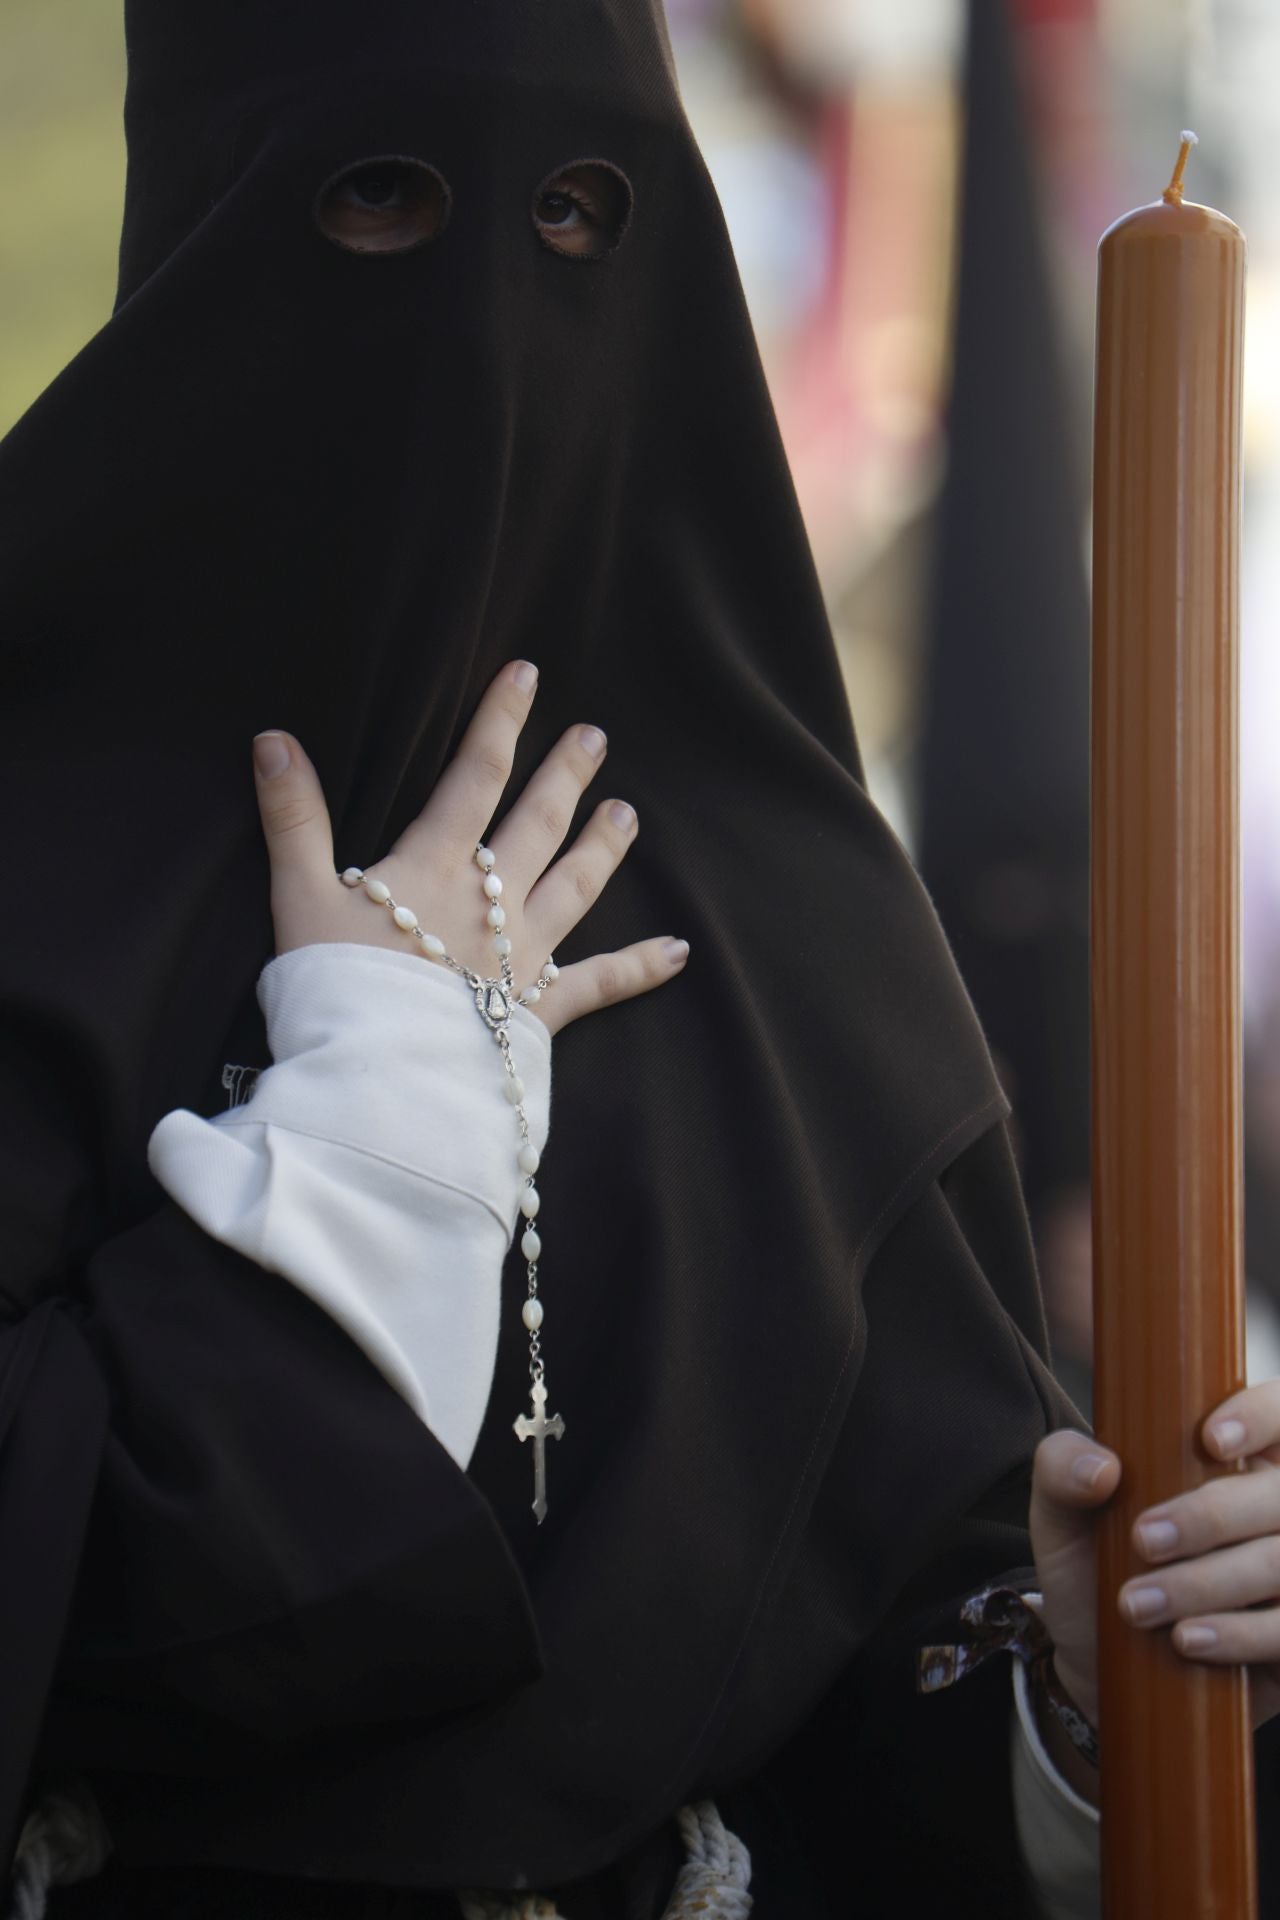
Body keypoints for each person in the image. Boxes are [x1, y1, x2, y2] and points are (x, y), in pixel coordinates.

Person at [6, 2, 1280, 1915]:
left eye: (588, 217)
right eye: (375, 197)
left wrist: (1075, 1704)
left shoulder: (790, 937)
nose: (487, 321)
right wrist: (375, 1123)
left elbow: (880, 1701)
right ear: (205, 221)